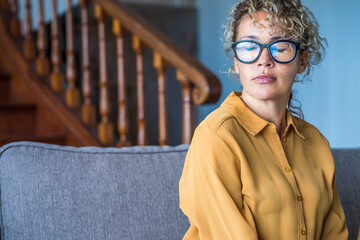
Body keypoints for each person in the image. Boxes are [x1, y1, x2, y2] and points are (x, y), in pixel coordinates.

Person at [178, 0, 349, 239]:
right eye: (249, 47)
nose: (264, 60)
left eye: (280, 47)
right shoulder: (216, 137)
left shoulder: (316, 142)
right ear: (235, 61)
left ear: (302, 61)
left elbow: (334, 233)